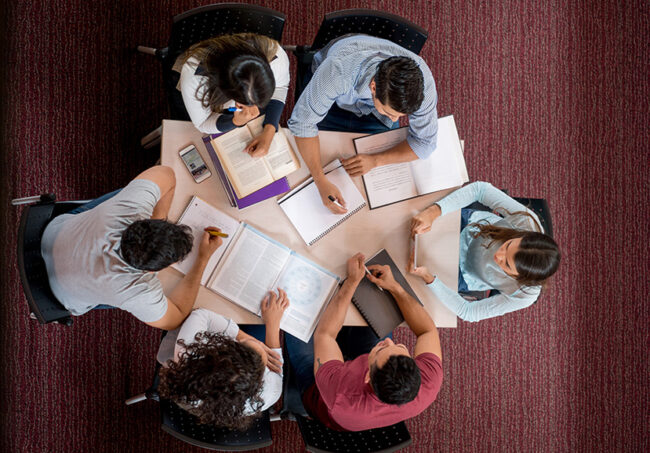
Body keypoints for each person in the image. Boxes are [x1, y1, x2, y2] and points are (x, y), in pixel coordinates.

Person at [41, 165, 222, 330]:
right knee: (133, 303)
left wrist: (159, 219)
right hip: (57, 294)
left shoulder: (130, 208)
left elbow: (167, 174)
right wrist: (202, 259)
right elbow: (176, 319)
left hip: (49, 235)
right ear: (152, 269)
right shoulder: (136, 290)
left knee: (129, 192)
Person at [285, 253, 443, 431]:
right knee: (376, 305)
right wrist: (395, 288)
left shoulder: (339, 395)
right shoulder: (429, 381)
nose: (389, 343)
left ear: (367, 376)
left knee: (294, 314)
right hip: (364, 379)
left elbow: (325, 335)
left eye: (383, 349)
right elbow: (427, 331)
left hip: (321, 392)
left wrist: (351, 282)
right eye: (399, 346)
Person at [287, 34, 438, 214]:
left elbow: (425, 143)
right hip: (335, 101)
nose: (394, 121)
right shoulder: (338, 71)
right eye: (390, 113)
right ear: (373, 87)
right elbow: (303, 124)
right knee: (306, 169)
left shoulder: (423, 84)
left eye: (401, 116)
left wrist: (376, 160)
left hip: (372, 110)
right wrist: (320, 180)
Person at [409, 181, 561, 322]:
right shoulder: (526, 221)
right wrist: (434, 211)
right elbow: (480, 190)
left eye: (506, 264)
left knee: (409, 284)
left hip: (464, 273)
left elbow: (469, 312)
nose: (498, 255)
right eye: (507, 245)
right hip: (469, 227)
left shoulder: (525, 295)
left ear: (520, 278)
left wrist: (429, 279)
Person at [157, 289, 289, 430]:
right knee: (258, 322)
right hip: (207, 400)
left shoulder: (190, 352)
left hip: (185, 371)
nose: (259, 345)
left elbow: (201, 314)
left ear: (220, 347)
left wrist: (245, 338)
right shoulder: (269, 394)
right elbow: (276, 364)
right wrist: (273, 325)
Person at [177, 33, 290, 157]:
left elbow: (280, 87)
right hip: (203, 89)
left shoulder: (275, 54)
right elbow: (202, 123)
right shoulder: (195, 79)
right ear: (228, 94)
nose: (255, 109)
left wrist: (270, 129)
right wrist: (234, 122)